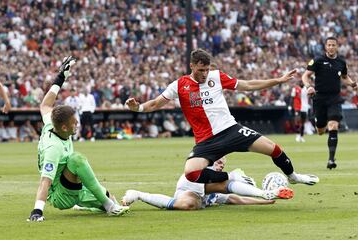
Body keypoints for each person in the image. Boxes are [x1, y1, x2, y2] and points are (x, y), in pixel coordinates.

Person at [126, 49, 319, 188]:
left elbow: (248, 85)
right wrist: (138, 107)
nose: (204, 74)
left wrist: (277, 80)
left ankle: (292, 176)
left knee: (274, 149)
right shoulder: (179, 85)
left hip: (231, 130)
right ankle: (233, 177)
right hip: (206, 141)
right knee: (191, 173)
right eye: (200, 70)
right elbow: (155, 104)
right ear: (191, 66)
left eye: (207, 70)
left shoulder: (216, 77)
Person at [28, 56, 129, 222]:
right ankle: (109, 207)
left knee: (112, 198)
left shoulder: (51, 123)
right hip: (60, 195)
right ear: (64, 127)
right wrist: (37, 211)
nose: (77, 125)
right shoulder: (53, 148)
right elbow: (45, 181)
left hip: (70, 183)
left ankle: (97, 204)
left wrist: (61, 77)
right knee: (77, 159)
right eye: (74, 123)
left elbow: (45, 105)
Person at [121, 157, 293, 210]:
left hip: (201, 195)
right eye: (218, 163)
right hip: (189, 188)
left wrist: (265, 201)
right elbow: (225, 185)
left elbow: (235, 199)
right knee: (189, 203)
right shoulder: (202, 171)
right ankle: (138, 194)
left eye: (222, 164)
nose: (220, 165)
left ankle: (263, 193)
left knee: (196, 204)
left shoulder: (219, 176)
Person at [302, 37, 358, 169]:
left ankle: (331, 160)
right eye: (329, 45)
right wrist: (308, 86)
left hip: (335, 98)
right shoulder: (318, 60)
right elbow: (305, 75)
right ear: (325, 47)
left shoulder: (341, 62)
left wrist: (353, 84)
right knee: (321, 130)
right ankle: (319, 124)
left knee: (333, 125)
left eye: (333, 45)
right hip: (319, 98)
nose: (331, 47)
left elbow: (344, 77)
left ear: (337, 47)